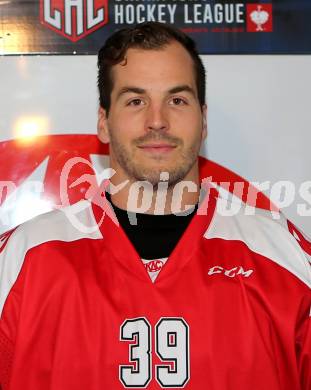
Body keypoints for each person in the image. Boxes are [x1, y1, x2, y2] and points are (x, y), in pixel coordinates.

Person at [0, 22, 310, 390]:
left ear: (203, 119)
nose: (158, 121)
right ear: (103, 122)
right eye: (136, 101)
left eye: (177, 100)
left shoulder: (281, 254)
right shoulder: (23, 259)